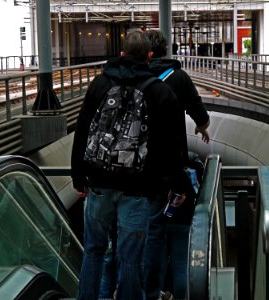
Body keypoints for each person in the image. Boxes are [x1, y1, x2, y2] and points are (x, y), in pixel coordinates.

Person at [71, 30, 187, 300]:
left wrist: (79, 176)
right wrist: (177, 184)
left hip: (99, 183)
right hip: (138, 189)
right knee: (131, 258)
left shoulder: (99, 84)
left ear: (121, 54)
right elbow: (171, 147)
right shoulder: (160, 92)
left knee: (94, 250)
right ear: (149, 56)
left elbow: (83, 130)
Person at [144, 29, 210, 300]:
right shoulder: (178, 77)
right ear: (165, 49)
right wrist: (201, 126)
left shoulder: (138, 79)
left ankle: (153, 294)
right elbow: (200, 113)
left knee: (152, 246)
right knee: (182, 260)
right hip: (174, 172)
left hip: (143, 175)